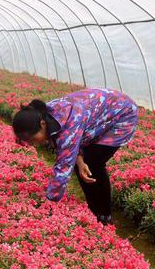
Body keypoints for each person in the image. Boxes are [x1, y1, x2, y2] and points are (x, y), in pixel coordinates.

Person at [12, 89, 138, 225]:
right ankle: (94, 211)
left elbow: (64, 167)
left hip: (122, 114)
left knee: (93, 164)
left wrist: (48, 203)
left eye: (32, 139)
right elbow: (71, 142)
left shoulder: (66, 125)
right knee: (83, 166)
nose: (32, 144)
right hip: (97, 115)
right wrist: (79, 160)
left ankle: (104, 215)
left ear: (42, 124)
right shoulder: (42, 116)